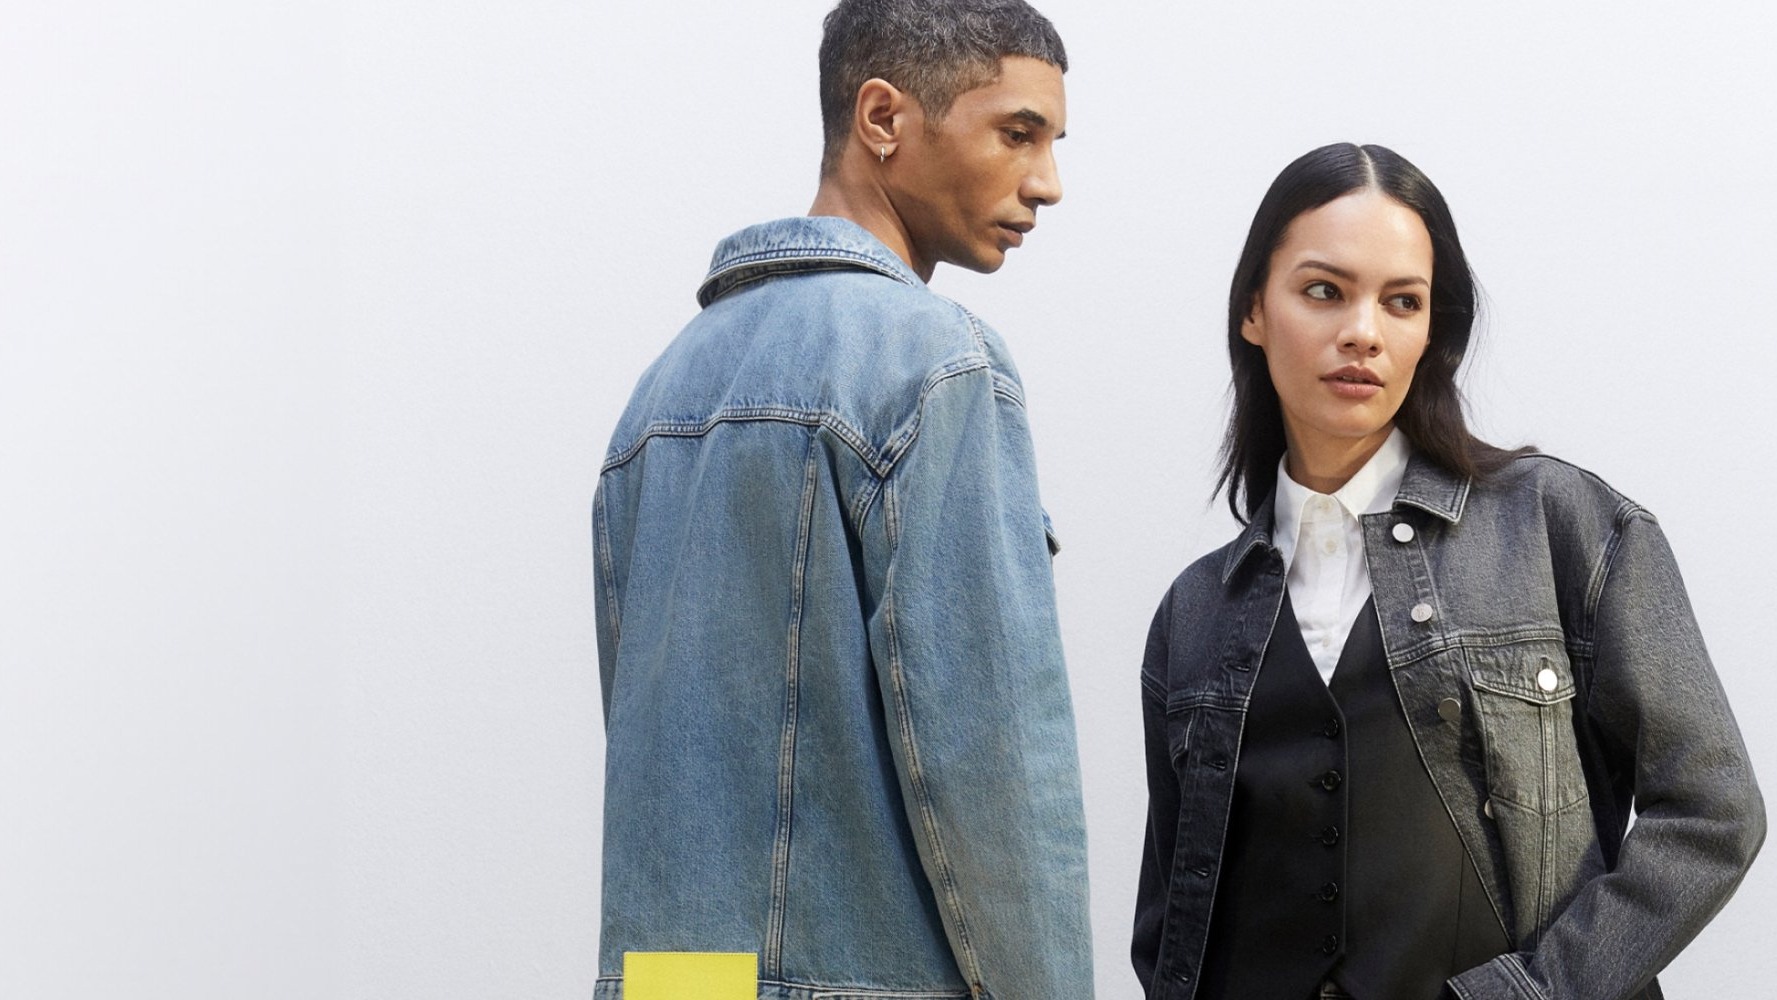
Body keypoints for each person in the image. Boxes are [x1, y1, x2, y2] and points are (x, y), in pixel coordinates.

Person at [1132, 143, 1764, 1000]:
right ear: (1253, 309)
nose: (1362, 332)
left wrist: (1539, 990)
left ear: (1432, 331)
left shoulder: (1560, 526)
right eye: (1323, 291)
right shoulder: (1196, 611)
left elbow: (1711, 812)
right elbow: (1172, 921)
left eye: (1402, 302)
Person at [592, 2, 1091, 998]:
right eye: (1017, 132)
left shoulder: (660, 393)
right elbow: (991, 768)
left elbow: (657, 773)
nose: (1046, 182)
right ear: (882, 118)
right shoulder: (935, 364)